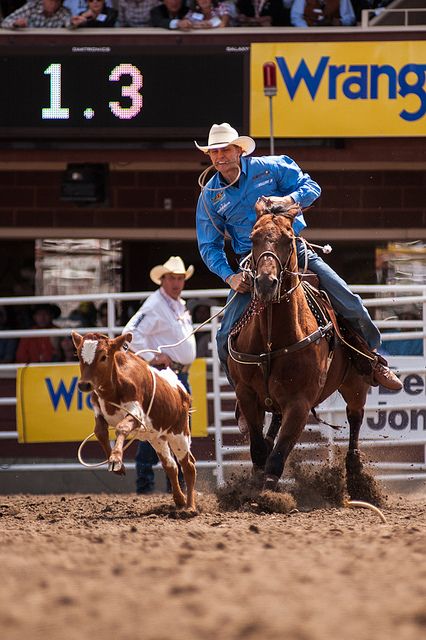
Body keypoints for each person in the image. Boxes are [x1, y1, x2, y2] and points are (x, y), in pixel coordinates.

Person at [194, 122, 403, 416]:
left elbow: (311, 187)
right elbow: (209, 245)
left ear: (239, 150)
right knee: (223, 334)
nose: (219, 157)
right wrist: (230, 276)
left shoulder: (273, 167)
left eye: (224, 149)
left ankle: (374, 360)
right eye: (213, 152)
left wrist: (289, 199)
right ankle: (245, 397)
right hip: (251, 261)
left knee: (349, 301)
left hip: (293, 250)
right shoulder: (210, 196)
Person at [122, 256, 196, 495]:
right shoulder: (155, 304)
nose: (176, 283)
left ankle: (173, 487)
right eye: (172, 278)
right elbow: (131, 332)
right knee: (156, 430)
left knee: (173, 432)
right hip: (164, 376)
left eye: (180, 278)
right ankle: (148, 486)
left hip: (176, 376)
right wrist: (153, 358)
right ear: (163, 279)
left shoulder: (176, 304)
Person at [1, 0, 71, 27]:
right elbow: (5, 22)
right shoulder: (32, 7)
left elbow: (69, 24)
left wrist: (73, 23)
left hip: (51, 49)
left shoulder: (63, 12)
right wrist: (15, 24)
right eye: (50, 1)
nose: (53, 5)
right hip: (28, 47)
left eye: (56, 2)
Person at [290, 0, 356, 27]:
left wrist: (340, 22)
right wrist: (307, 30)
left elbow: (350, 18)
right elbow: (296, 17)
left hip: (333, 38)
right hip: (308, 38)